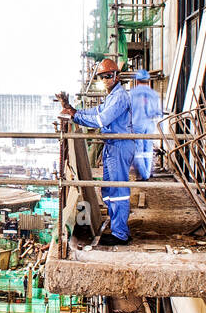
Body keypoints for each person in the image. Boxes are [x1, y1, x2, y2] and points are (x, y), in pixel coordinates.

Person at [59, 59, 135, 245]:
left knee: (118, 190)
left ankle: (120, 234)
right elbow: (97, 111)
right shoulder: (112, 96)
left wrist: (76, 116)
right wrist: (74, 111)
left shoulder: (120, 97)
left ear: (116, 76)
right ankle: (117, 227)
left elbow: (101, 120)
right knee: (108, 189)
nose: (105, 80)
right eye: (102, 77)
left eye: (108, 76)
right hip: (112, 145)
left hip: (120, 146)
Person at [129, 70, 163, 180]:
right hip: (149, 124)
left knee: (138, 150)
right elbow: (158, 112)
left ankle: (142, 174)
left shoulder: (132, 94)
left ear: (137, 81)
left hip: (136, 124)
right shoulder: (154, 94)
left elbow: (128, 111)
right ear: (148, 81)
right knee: (148, 149)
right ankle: (147, 173)